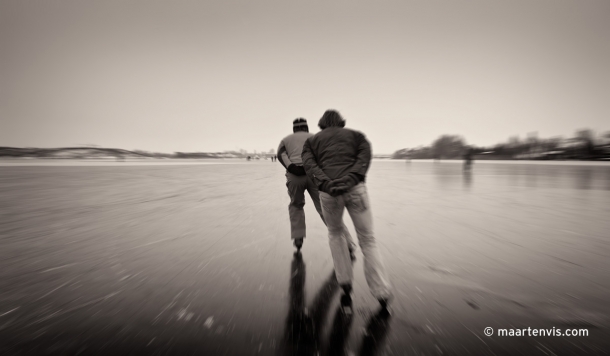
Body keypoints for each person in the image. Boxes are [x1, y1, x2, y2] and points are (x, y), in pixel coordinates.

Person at [302, 109, 392, 312]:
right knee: (368, 239)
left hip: (328, 193)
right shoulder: (358, 136)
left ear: (322, 124)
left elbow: (309, 164)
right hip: (355, 190)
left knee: (335, 235)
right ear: (341, 122)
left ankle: (345, 289)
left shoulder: (312, 142)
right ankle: (382, 293)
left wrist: (325, 182)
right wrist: (350, 179)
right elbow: (364, 159)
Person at [278, 118, 356, 254]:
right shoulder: (316, 137)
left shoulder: (286, 139)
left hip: (295, 177)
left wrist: (292, 167)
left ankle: (298, 237)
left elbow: (280, 155)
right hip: (314, 176)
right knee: (325, 207)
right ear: (306, 128)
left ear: (294, 129)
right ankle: (347, 242)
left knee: (296, 205)